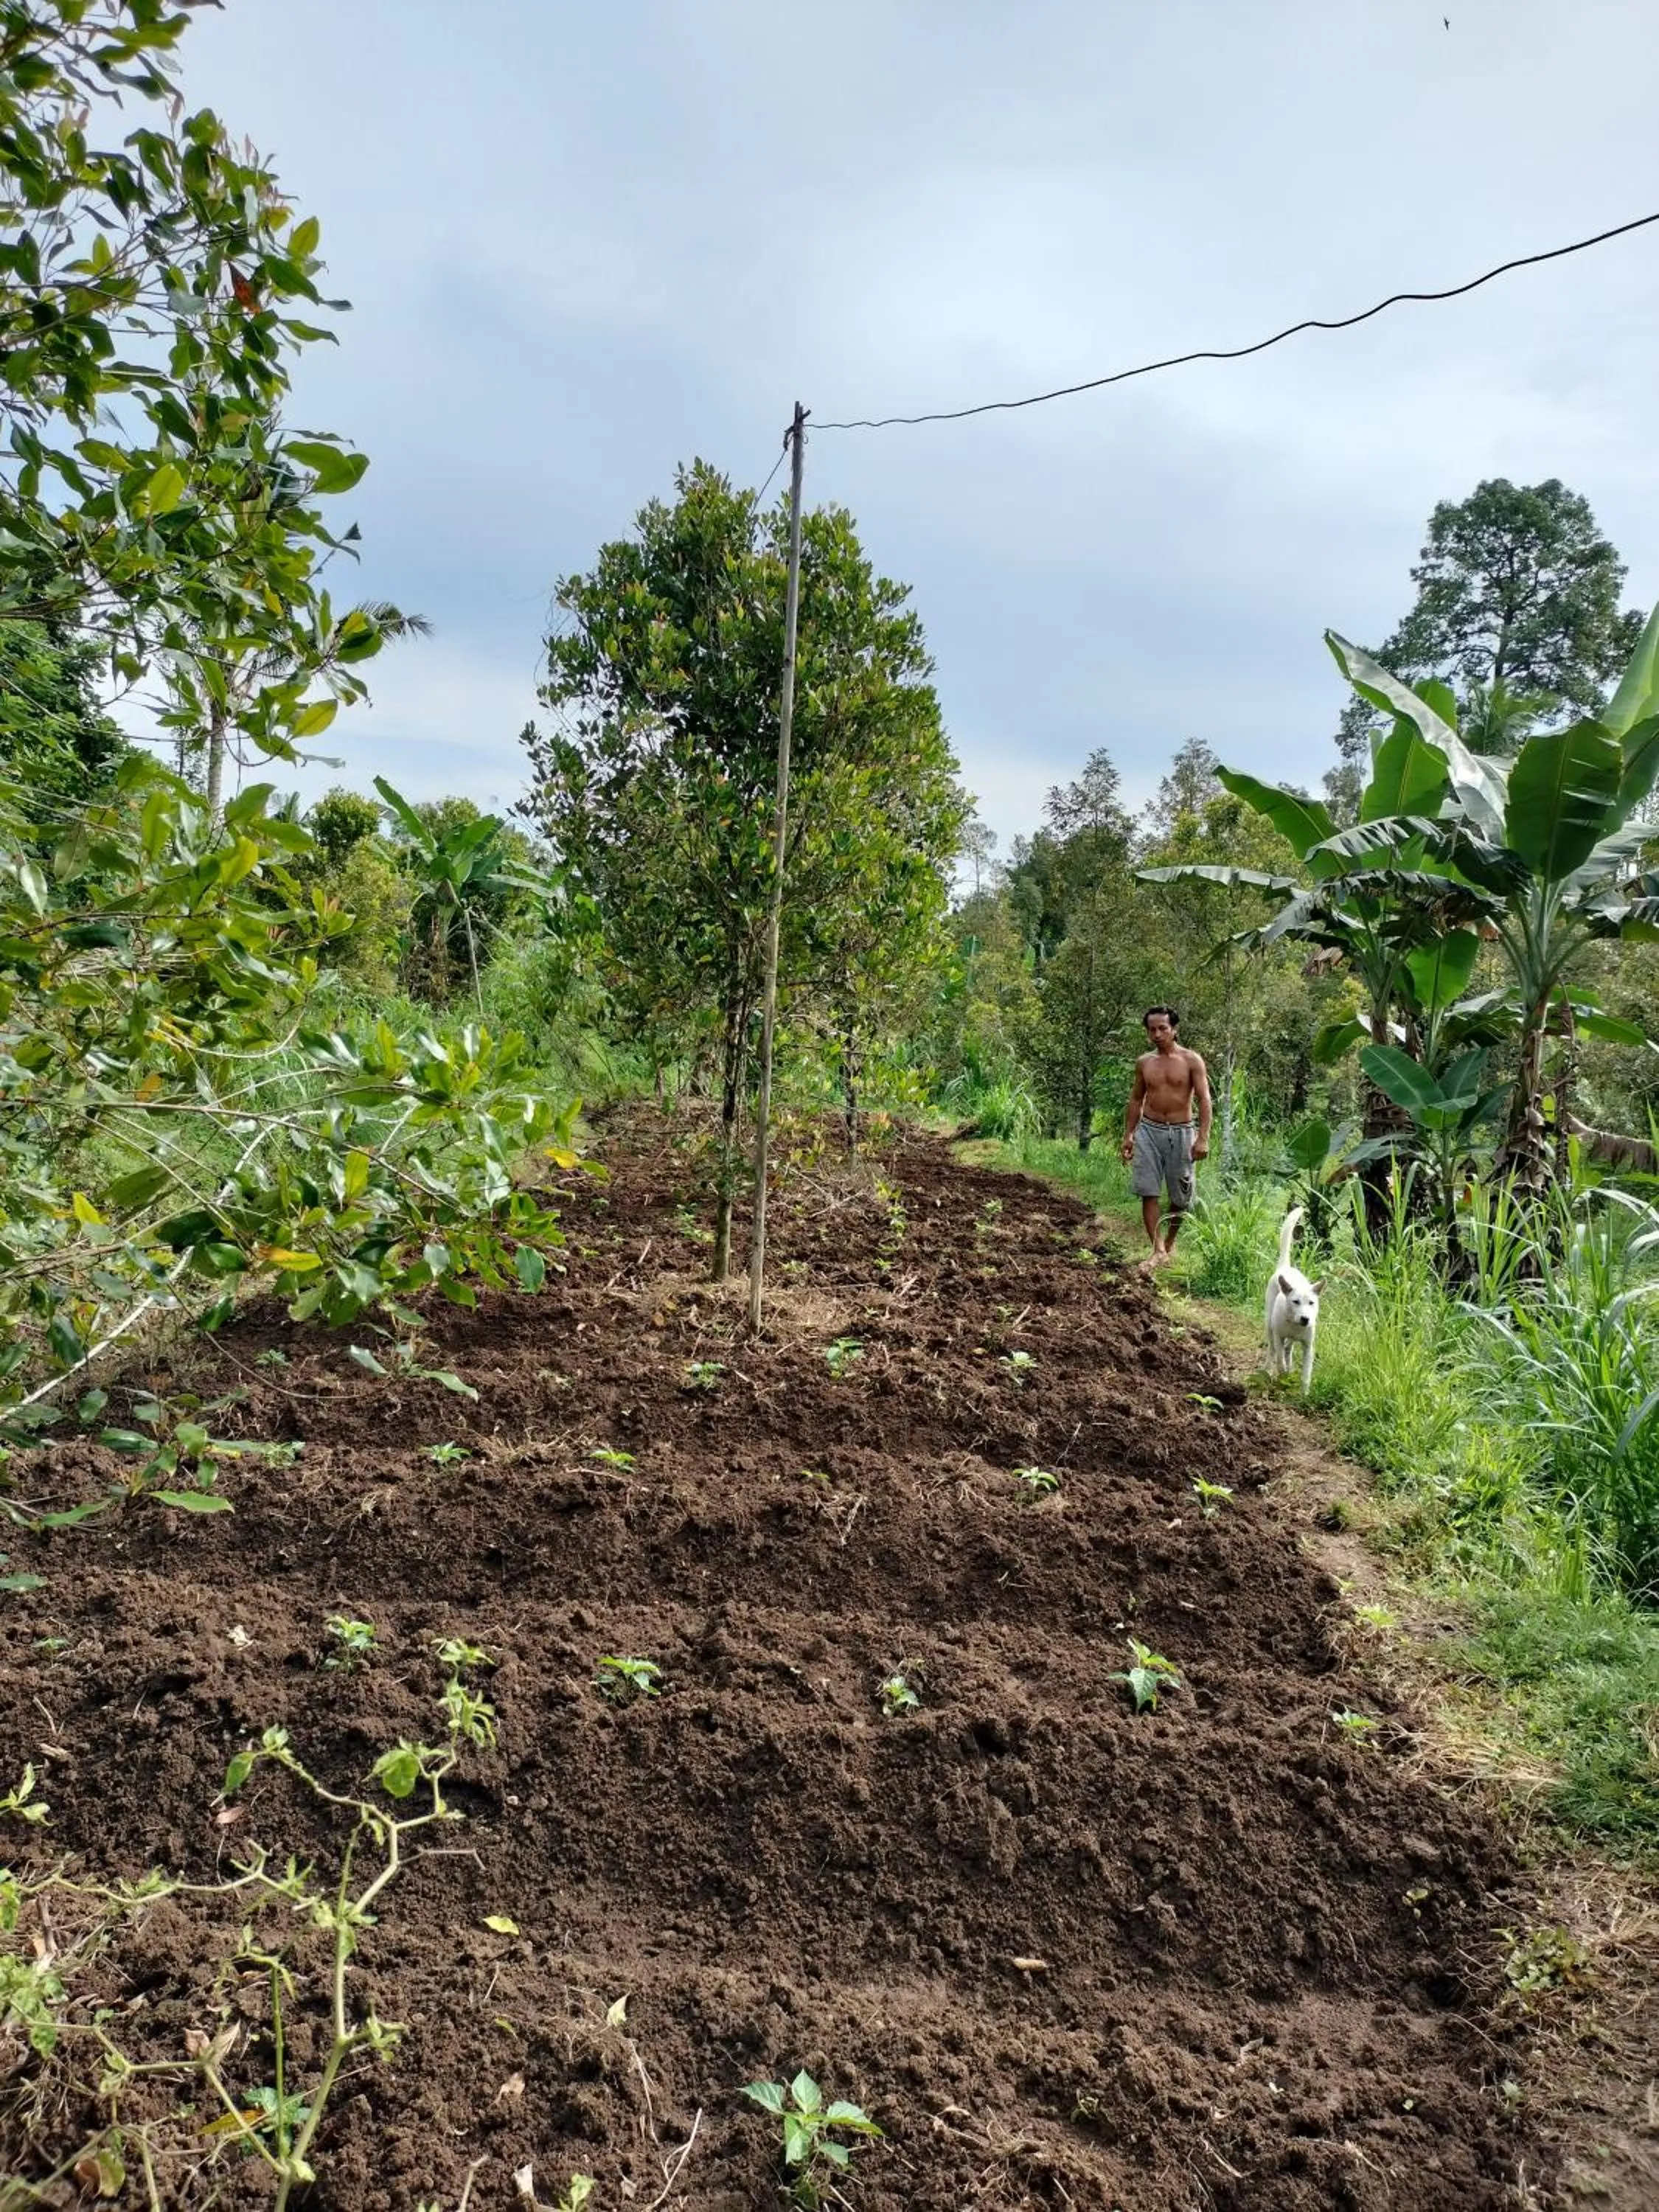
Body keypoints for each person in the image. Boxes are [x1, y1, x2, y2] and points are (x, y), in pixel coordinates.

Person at [1121, 1006, 1211, 1269]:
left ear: (1174, 1030)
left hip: (1181, 1132)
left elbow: (1205, 1099)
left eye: (1163, 1028)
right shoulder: (1145, 1063)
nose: (1157, 1034)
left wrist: (1202, 1137)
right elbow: (1136, 1099)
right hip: (1149, 1130)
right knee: (1148, 1190)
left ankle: (1169, 1243)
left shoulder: (1191, 1060)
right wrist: (1129, 1135)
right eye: (1152, 1030)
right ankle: (1157, 1249)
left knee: (1180, 1196)